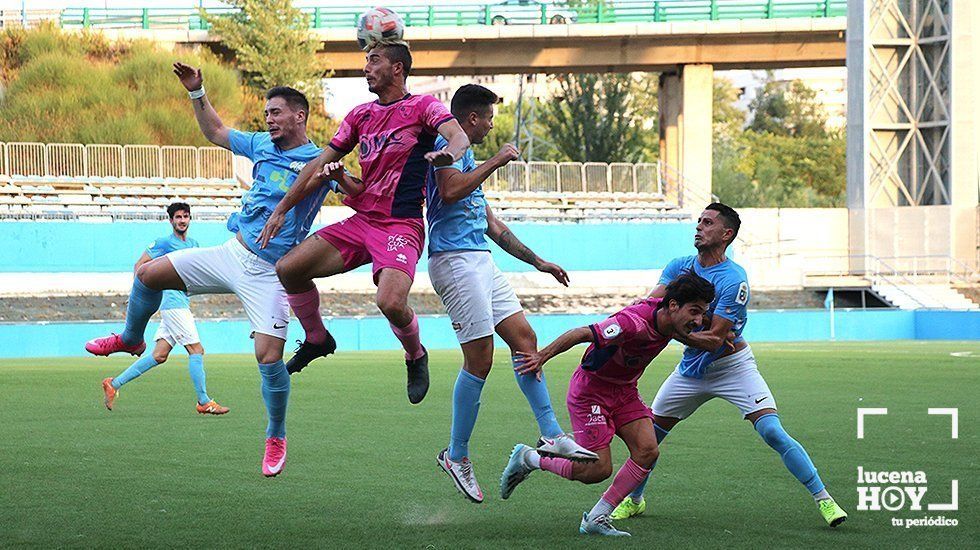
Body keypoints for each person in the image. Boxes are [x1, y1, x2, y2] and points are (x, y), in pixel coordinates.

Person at [85, 62, 340, 477]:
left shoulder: (320, 159)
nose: (268, 119)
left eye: (275, 112)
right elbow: (216, 133)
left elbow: (360, 192)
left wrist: (340, 176)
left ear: (300, 115)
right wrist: (196, 91)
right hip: (231, 253)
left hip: (270, 274)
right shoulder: (260, 144)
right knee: (148, 273)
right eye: (266, 112)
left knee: (268, 357)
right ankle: (132, 340)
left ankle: (276, 434)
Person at [610, 203, 848, 528]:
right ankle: (634, 500)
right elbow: (651, 305)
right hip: (690, 371)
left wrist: (673, 328)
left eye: (707, 223)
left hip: (732, 367)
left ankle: (825, 500)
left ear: (726, 234)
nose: (698, 227)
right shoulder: (679, 266)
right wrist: (626, 318)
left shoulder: (735, 281)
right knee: (648, 439)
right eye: (698, 221)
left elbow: (713, 339)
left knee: (772, 431)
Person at [257, 42, 470, 404]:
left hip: (400, 225)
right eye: (365, 61)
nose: (365, 68)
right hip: (361, 220)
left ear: (398, 68)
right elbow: (316, 166)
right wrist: (281, 210)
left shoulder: (423, 106)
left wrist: (451, 153)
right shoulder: (360, 115)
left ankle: (416, 354)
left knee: (389, 302)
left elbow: (459, 135)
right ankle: (317, 338)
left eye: (373, 61)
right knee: (288, 268)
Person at [427, 84, 598, 503]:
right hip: (453, 260)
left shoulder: (467, 157)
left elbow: (495, 228)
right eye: (486, 116)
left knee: (525, 341)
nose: (490, 123)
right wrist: (496, 160)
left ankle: (551, 434)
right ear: (470, 118)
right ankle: (457, 454)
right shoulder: (447, 145)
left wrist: (538, 261)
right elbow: (449, 191)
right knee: (480, 359)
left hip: (480, 260)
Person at [499, 273, 716, 536]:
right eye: (694, 312)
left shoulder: (671, 321)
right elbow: (582, 333)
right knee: (597, 470)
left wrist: (704, 340)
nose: (698, 320)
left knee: (648, 451)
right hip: (591, 391)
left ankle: (596, 518)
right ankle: (530, 458)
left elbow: (679, 330)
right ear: (672, 306)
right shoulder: (631, 323)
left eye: (701, 313)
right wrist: (541, 356)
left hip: (625, 391)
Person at [100, 203, 227, 415]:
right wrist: (137, 296)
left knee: (159, 355)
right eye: (178, 217)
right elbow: (139, 265)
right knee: (196, 350)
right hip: (171, 303)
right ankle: (204, 401)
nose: (182, 220)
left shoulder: (194, 244)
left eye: (186, 216)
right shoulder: (163, 243)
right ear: (171, 221)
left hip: (181, 303)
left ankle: (114, 383)